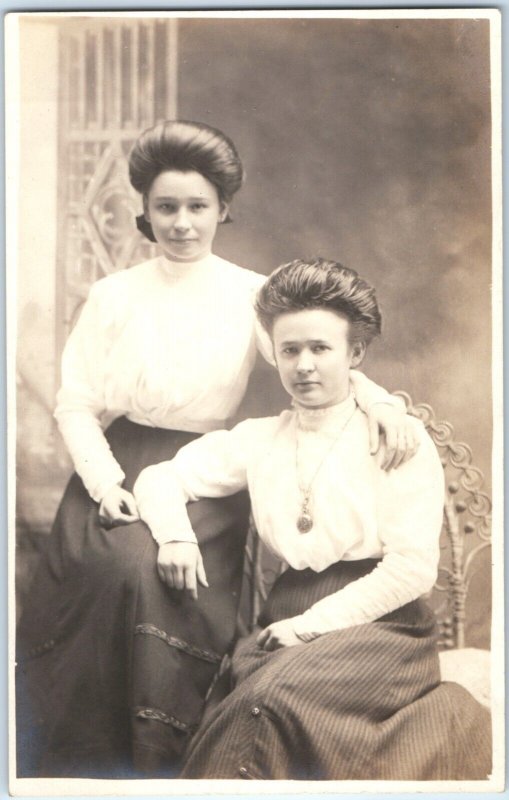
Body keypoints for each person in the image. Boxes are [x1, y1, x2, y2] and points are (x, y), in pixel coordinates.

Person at [16, 121, 417, 779]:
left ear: (222, 209)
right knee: (114, 572)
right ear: (143, 210)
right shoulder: (113, 296)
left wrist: (379, 403)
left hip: (201, 475)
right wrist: (104, 481)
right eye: (166, 207)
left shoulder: (251, 293)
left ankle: (162, 763)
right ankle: (86, 770)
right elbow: (76, 403)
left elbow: (309, 354)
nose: (181, 223)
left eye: (196, 207)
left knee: (154, 580)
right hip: (115, 467)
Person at [134, 258, 492, 781]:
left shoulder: (395, 440)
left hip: (383, 628)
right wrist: (174, 537)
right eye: (289, 350)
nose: (304, 365)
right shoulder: (260, 439)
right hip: (284, 613)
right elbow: (159, 478)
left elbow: (412, 570)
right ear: (275, 356)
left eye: (320, 348)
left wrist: (309, 627)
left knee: (268, 701)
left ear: (355, 353)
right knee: (251, 700)